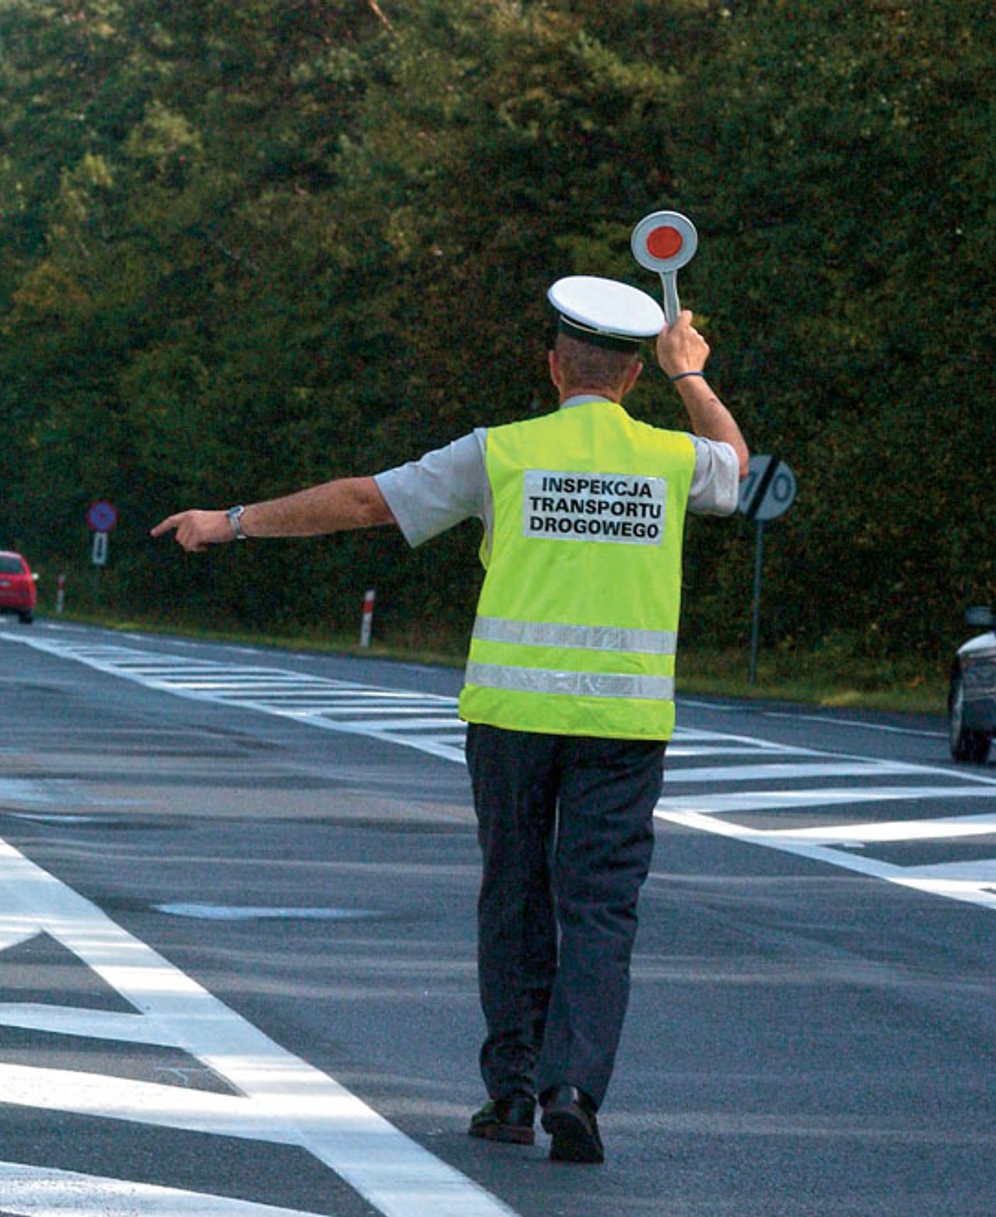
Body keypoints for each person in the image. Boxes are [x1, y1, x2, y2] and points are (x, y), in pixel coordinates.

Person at [151, 276, 748, 1164]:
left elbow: (363, 501)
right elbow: (735, 469)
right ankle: (575, 1087)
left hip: (510, 719)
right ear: (632, 377)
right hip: (624, 726)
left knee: (514, 896)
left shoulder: (500, 453)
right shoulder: (667, 458)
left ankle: (510, 1094)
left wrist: (229, 522)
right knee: (600, 911)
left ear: (553, 367)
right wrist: (691, 375)